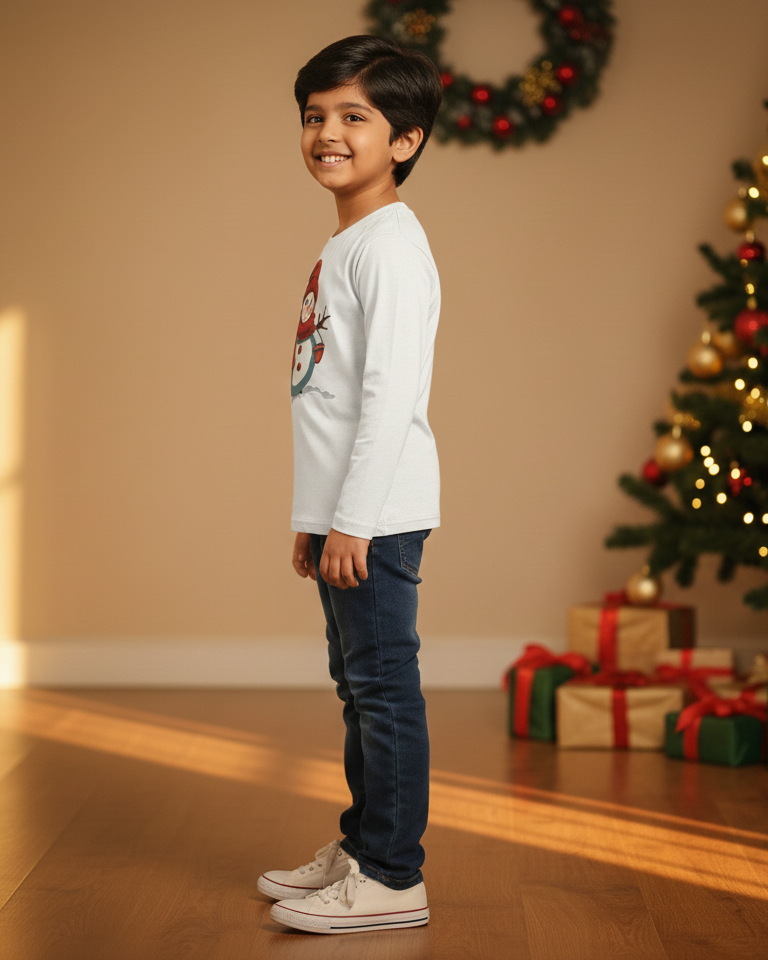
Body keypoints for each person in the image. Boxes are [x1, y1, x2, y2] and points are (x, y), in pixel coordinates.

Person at [257, 34, 443, 935]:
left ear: (404, 140)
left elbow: (387, 397)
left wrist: (356, 522)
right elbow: (322, 401)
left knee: (383, 689)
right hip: (349, 515)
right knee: (357, 685)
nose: (327, 133)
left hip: (379, 518)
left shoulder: (391, 249)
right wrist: (315, 516)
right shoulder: (349, 242)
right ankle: (366, 843)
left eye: (353, 117)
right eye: (314, 116)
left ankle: (393, 876)